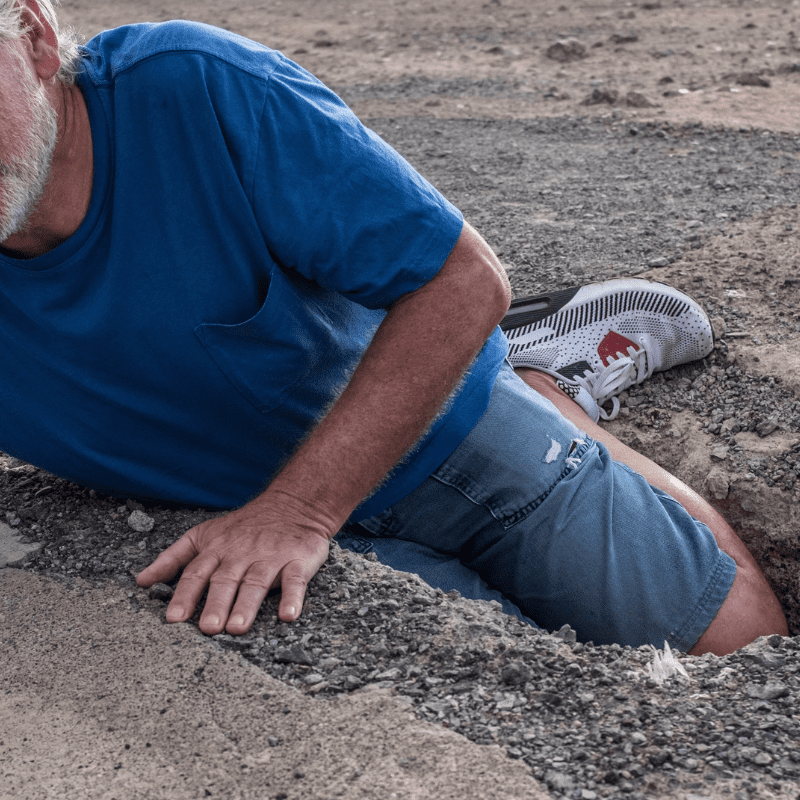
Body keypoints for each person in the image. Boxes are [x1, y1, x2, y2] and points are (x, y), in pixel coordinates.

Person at [0, 0, 787, 655]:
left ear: (34, 37)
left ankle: (547, 389)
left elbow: (463, 281)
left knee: (746, 646)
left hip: (448, 433)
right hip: (245, 515)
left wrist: (298, 511)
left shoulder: (187, 89)